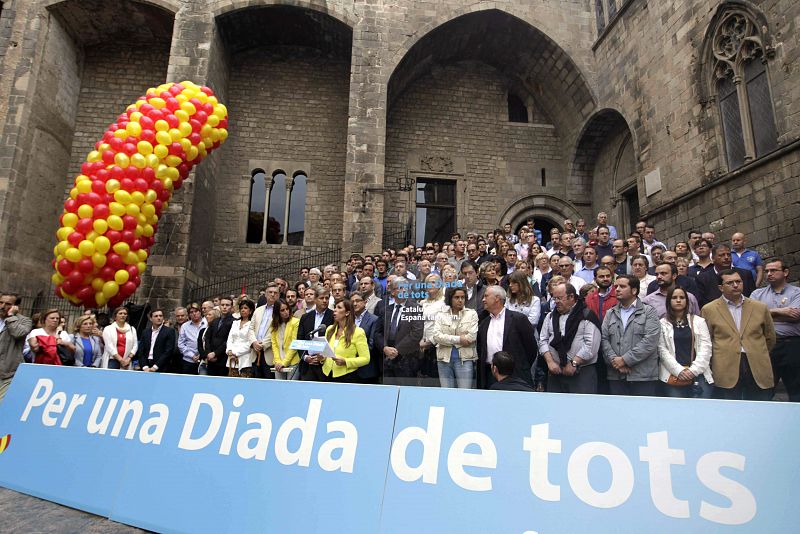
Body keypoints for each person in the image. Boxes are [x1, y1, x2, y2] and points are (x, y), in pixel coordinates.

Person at [702, 269, 776, 401]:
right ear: (721, 288)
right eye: (730, 283)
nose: (735, 285)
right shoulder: (709, 310)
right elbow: (706, 341)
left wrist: (758, 351)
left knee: (759, 406)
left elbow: (770, 337)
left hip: (756, 363)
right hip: (725, 365)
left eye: (738, 281)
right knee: (729, 408)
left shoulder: (760, 307)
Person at [601, 275, 661, 396]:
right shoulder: (610, 313)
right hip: (616, 375)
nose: (617, 289)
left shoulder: (648, 312)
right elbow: (604, 339)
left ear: (634, 290)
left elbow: (650, 341)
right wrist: (616, 362)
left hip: (642, 376)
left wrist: (625, 360)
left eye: (622, 286)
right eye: (616, 286)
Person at [751, 259, 800, 401]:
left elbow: (796, 316)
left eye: (773, 270)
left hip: (792, 345)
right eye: (767, 271)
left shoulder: (797, 293)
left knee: (796, 389)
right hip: (766, 346)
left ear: (785, 272)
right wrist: (782, 311)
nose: (769, 274)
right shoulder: (757, 294)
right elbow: (752, 317)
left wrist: (765, 315)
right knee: (764, 389)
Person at [539, 282, 601, 393]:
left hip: (581, 373)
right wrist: (550, 362)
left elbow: (591, 345)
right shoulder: (550, 316)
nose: (556, 301)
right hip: (555, 372)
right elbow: (543, 340)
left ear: (571, 297)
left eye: (559, 298)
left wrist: (574, 363)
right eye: (554, 298)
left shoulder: (587, 315)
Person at [657, 287, 714, 398]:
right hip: (673, 374)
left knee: (702, 407)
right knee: (677, 408)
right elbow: (662, 350)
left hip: (699, 374)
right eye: (674, 298)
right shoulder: (662, 323)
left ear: (687, 301)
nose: (678, 300)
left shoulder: (699, 321)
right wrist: (679, 371)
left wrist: (692, 371)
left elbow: (706, 348)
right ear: (669, 301)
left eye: (682, 297)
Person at [477, 286, 537, 389]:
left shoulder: (518, 319)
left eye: (486, 296)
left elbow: (531, 348)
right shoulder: (484, 323)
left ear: (497, 298)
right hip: (490, 375)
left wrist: (520, 366)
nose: (483, 300)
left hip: (516, 375)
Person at [432, 286, 478, 388]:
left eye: (463, 297)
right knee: (447, 393)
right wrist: (459, 339)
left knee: (464, 393)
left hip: (465, 360)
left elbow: (471, 338)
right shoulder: (441, 315)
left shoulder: (472, 314)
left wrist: (446, 338)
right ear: (450, 298)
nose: (460, 300)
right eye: (456, 297)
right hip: (444, 359)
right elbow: (436, 336)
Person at [383, 279, 424, 384]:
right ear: (392, 292)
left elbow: (417, 333)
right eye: (401, 288)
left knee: (407, 391)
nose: (404, 290)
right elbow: (378, 332)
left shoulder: (416, 308)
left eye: (406, 288)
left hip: (407, 359)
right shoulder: (386, 309)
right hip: (387, 357)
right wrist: (385, 347)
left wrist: (396, 350)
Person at [321, 299, 370, 382]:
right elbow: (325, 353)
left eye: (339, 307)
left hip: (346, 376)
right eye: (335, 307)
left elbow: (366, 358)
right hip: (326, 374)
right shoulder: (330, 329)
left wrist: (346, 362)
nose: (335, 310)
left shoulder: (358, 332)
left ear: (347, 313)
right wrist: (321, 358)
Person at [297, 288, 334, 381]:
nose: (324, 301)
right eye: (321, 298)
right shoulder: (305, 317)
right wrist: (305, 357)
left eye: (327, 298)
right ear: (315, 299)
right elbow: (300, 339)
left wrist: (324, 357)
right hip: (308, 364)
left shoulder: (333, 316)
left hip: (325, 364)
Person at [0, 293, 32, 401]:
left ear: (16, 307)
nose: (2, 306)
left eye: (8, 304)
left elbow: (18, 333)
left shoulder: (24, 321)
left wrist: (11, 317)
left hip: (8, 374)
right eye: (1, 302)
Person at [350, 292, 381, 383]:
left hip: (366, 369)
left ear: (365, 302)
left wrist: (353, 355)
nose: (355, 304)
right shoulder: (348, 319)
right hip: (349, 367)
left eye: (357, 301)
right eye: (352, 302)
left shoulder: (374, 319)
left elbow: (372, 344)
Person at [250, 284, 280, 378]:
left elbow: (276, 330)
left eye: (275, 293)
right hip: (255, 353)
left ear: (278, 295)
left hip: (269, 353)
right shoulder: (258, 310)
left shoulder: (280, 311)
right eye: (270, 292)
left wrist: (263, 344)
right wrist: (254, 342)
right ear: (265, 295)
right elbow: (251, 328)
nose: (272, 294)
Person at [201, 296, 234, 377]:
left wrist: (215, 353)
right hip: (210, 359)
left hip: (223, 359)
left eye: (227, 305)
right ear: (219, 306)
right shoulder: (215, 321)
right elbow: (207, 337)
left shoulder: (234, 322)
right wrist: (208, 353)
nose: (224, 307)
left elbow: (229, 340)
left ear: (232, 307)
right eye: (222, 305)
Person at [225, 299, 256, 377]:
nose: (243, 310)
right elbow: (230, 339)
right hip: (232, 358)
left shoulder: (252, 324)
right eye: (241, 308)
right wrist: (229, 351)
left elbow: (250, 342)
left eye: (245, 308)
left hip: (245, 359)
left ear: (250, 311)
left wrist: (236, 353)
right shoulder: (235, 323)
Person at [271, 300, 300, 380]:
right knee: (279, 386)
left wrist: (284, 362)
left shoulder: (295, 322)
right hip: (279, 362)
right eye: (282, 310)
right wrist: (278, 361)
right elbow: (274, 344)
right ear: (277, 312)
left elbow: (294, 344)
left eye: (287, 309)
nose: (286, 312)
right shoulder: (274, 324)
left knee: (291, 386)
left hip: (293, 362)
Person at [178, 303, 205, 374]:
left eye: (196, 311)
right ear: (189, 314)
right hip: (188, 360)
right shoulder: (185, 326)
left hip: (204, 360)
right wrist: (191, 355)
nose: (194, 314)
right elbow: (181, 344)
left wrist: (202, 354)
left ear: (200, 312)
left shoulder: (206, 324)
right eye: (191, 312)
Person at [196, 308, 219, 375]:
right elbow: (200, 345)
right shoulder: (202, 331)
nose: (207, 316)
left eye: (209, 315)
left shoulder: (218, 331)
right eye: (206, 315)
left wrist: (213, 355)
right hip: (204, 361)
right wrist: (205, 356)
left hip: (215, 361)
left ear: (215, 317)